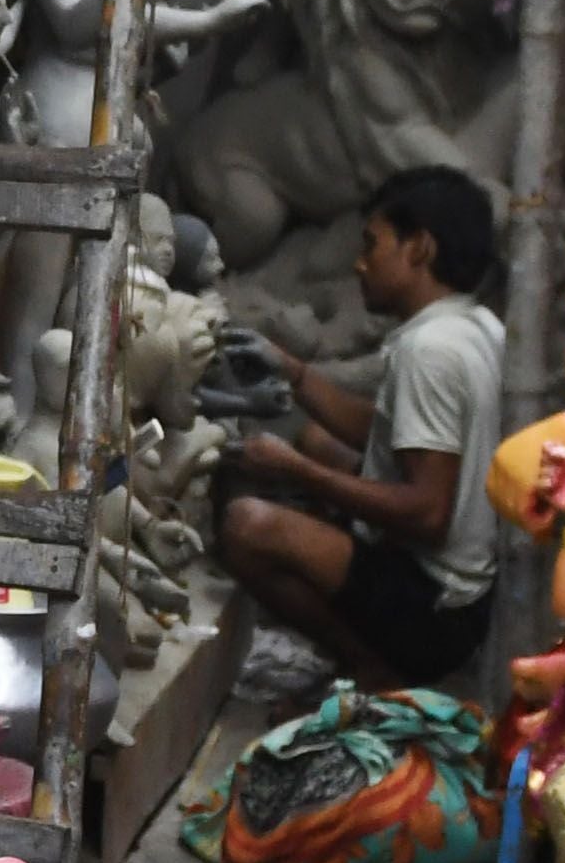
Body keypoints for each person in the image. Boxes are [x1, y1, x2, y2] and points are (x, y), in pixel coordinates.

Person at [219, 168, 512, 690]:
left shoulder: (431, 352)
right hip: (464, 586)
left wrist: (299, 473)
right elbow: (394, 434)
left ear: (419, 247)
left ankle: (372, 668)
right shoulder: (474, 325)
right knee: (316, 439)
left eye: (373, 244)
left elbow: (427, 513)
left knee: (247, 524)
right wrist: (296, 372)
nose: (360, 263)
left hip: (436, 609)